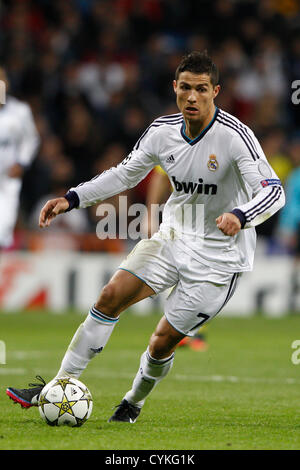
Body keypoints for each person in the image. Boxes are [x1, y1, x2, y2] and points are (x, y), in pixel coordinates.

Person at [6, 51, 285, 422]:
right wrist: (72, 198)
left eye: (201, 89)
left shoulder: (235, 138)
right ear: (175, 88)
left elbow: (274, 191)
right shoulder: (162, 132)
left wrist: (240, 214)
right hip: (173, 236)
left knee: (162, 340)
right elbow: (124, 174)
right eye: (185, 88)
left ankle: (133, 400)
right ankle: (58, 385)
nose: (192, 97)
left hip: (219, 258)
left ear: (215, 91)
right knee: (110, 296)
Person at [145, 165, 208, 351]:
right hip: (183, 218)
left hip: (211, 219)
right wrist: (150, 215)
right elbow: (160, 176)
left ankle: (187, 331)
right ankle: (184, 331)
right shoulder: (178, 143)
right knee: (185, 272)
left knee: (202, 277)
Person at [0, 67, 40, 249]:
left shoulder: (20, 111)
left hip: (8, 176)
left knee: (4, 224)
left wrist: (22, 163)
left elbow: (31, 140)